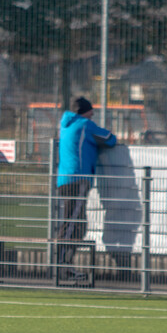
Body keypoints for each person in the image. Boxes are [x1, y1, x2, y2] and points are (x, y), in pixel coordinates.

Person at [56, 97, 117, 282]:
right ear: (85, 111)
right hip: (78, 178)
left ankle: (65, 265)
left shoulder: (66, 124)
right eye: (91, 111)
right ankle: (61, 267)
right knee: (73, 223)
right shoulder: (85, 124)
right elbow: (110, 139)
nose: (93, 114)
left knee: (78, 223)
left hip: (65, 178)